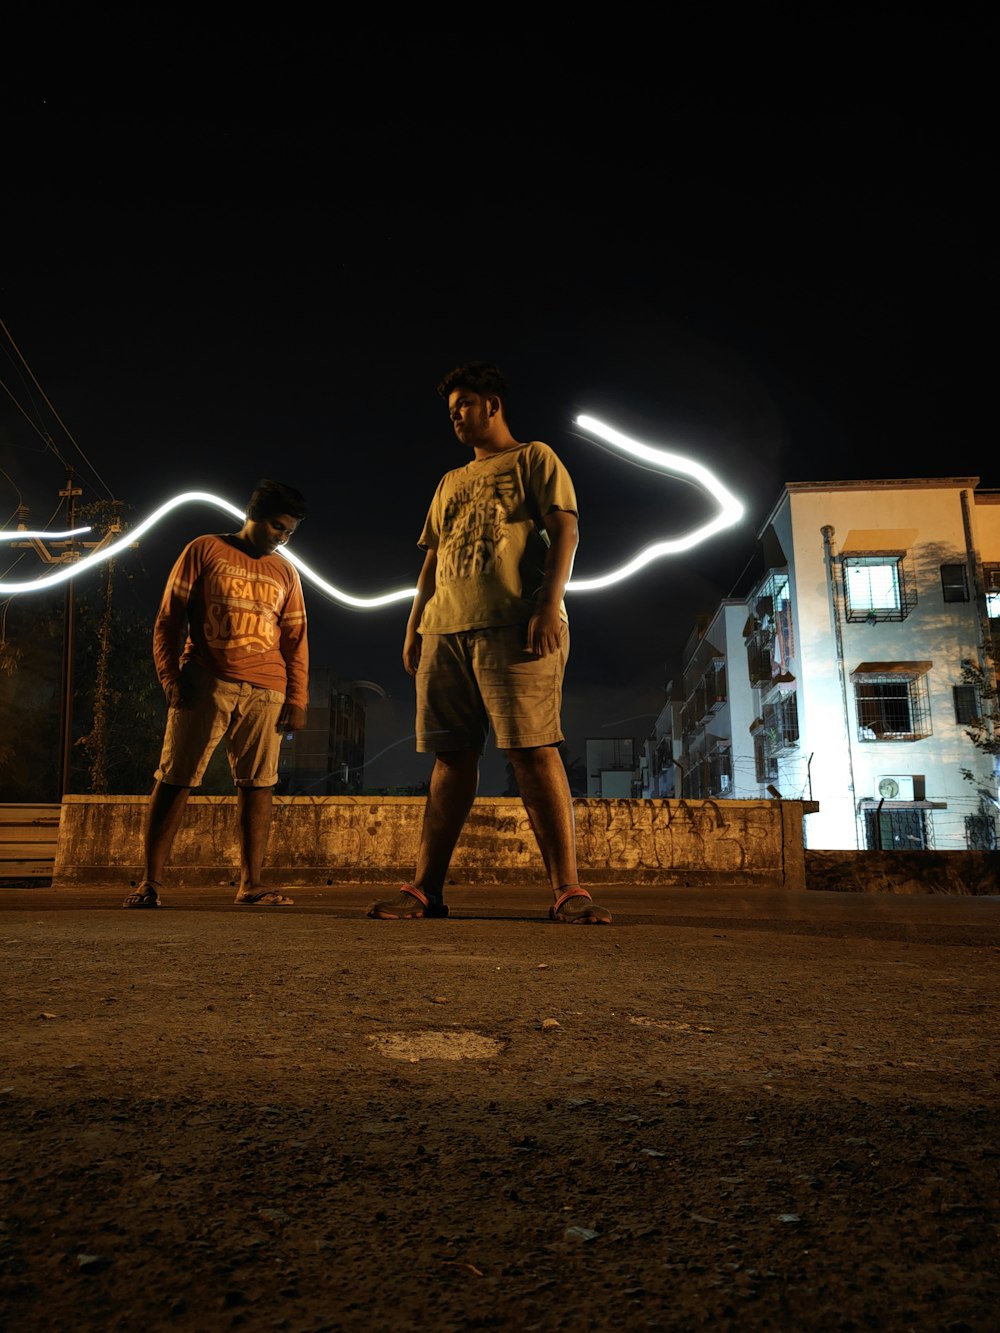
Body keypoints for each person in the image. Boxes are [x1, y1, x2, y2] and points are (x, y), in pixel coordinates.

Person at [367, 362, 612, 924]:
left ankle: (568, 891)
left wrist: (548, 603)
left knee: (532, 749)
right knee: (451, 758)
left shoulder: (535, 458)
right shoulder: (448, 483)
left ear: (493, 405)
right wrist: (413, 625)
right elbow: (431, 561)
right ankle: (426, 890)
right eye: (450, 411)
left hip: (515, 624)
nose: (455, 417)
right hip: (445, 628)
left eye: (464, 405)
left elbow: (566, 530)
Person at [123, 479, 310, 909]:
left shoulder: (286, 572)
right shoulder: (204, 550)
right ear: (255, 516)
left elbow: (295, 639)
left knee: (259, 785)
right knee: (174, 778)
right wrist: (170, 677)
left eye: (290, 533)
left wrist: (298, 699)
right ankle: (149, 882)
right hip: (206, 681)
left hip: (267, 690)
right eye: (278, 528)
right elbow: (168, 620)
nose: (282, 539)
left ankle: (251, 884)